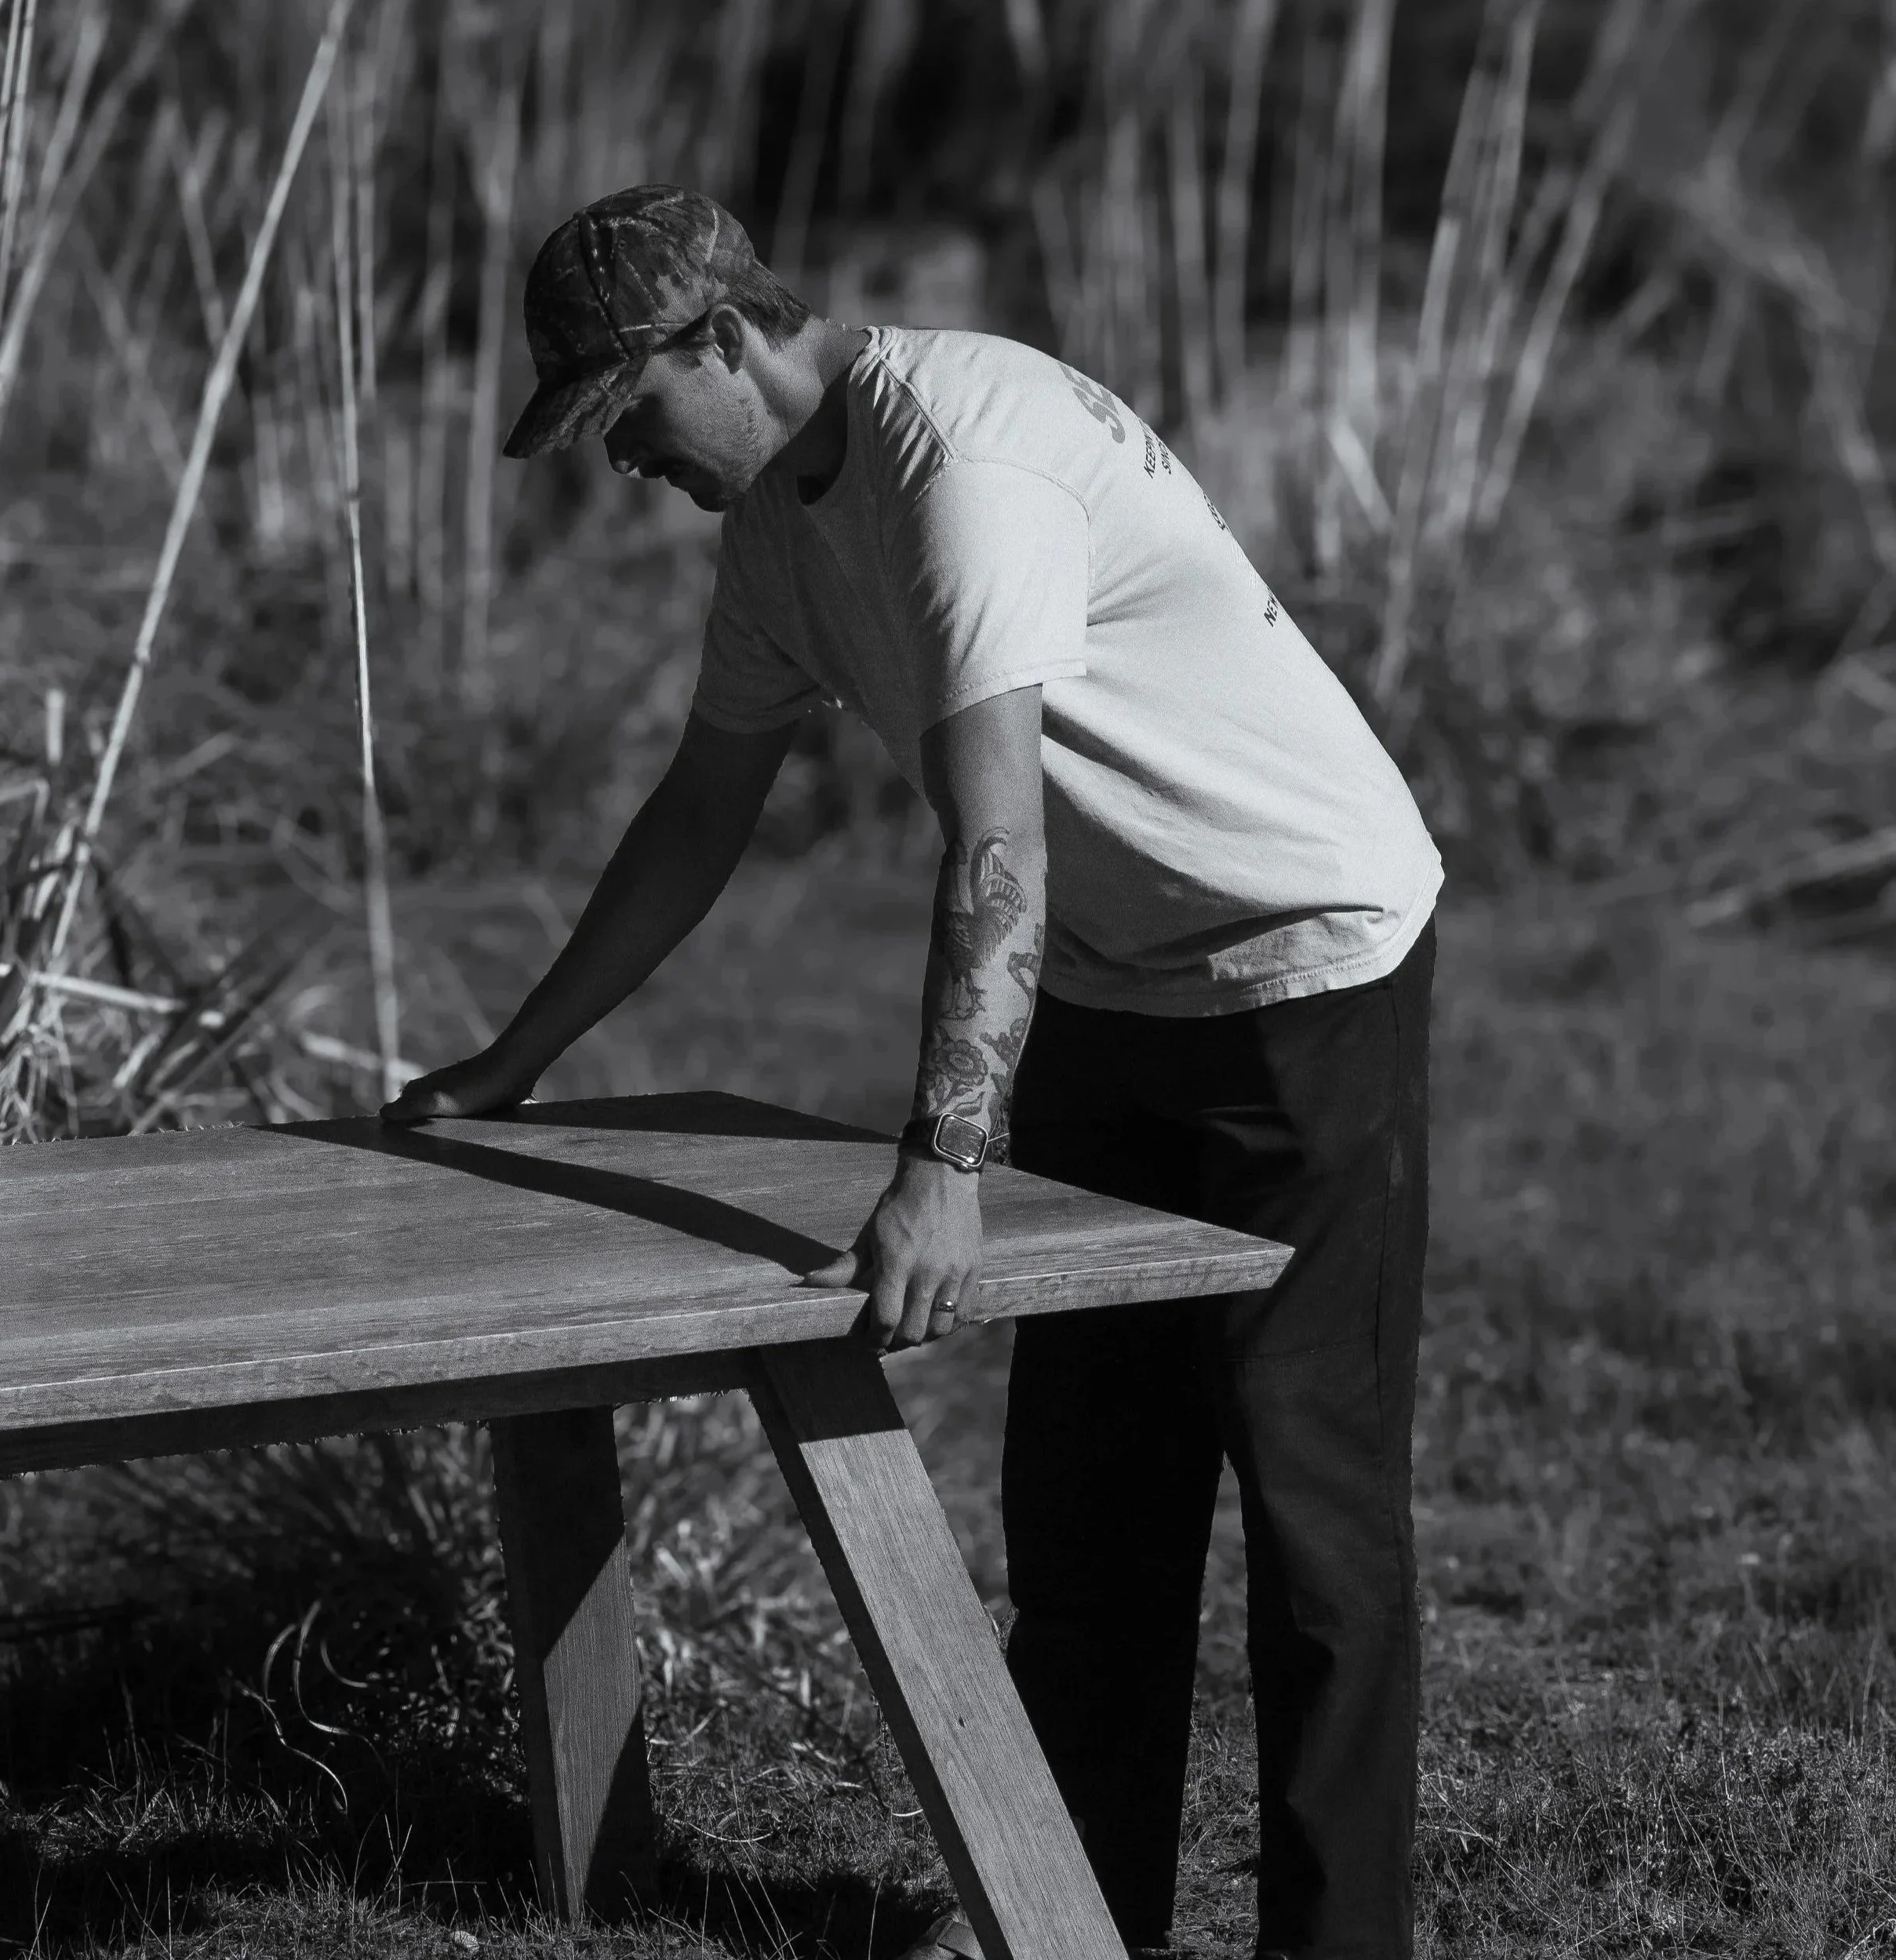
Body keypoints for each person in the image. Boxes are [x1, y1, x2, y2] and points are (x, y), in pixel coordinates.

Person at [382, 184, 1441, 1960]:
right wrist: (512, 1059)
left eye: (624, 414)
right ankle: (1073, 1916)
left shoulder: (968, 466)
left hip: (1301, 965)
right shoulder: (782, 530)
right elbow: (699, 812)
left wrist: (948, 1152)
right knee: (1090, 1499)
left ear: (720, 340)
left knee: (1312, 1493)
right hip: (1106, 981)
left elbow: (993, 843)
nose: (619, 461)